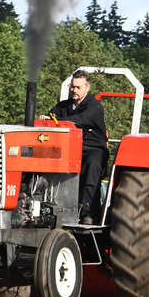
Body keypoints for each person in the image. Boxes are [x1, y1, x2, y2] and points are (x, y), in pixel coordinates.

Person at [40, 70, 108, 225]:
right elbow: (50, 118)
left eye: (78, 87)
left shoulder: (95, 107)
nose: (74, 90)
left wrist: (57, 121)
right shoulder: (64, 106)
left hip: (91, 149)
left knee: (92, 164)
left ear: (87, 88)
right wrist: (45, 119)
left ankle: (88, 212)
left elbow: (81, 120)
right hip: (69, 149)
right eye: (73, 87)